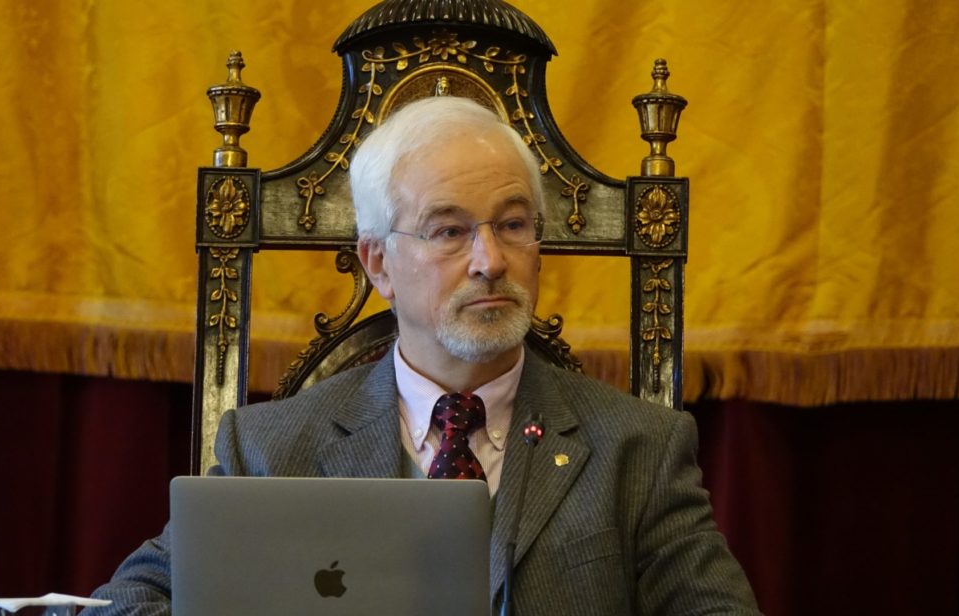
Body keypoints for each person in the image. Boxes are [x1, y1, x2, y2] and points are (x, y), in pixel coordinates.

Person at [86, 96, 760, 614]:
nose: (490, 260)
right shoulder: (270, 448)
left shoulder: (638, 450)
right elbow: (125, 604)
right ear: (378, 262)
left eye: (512, 225)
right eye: (448, 231)